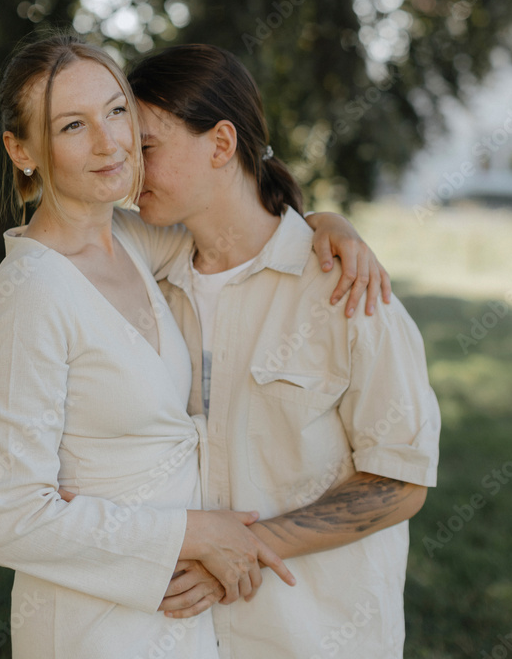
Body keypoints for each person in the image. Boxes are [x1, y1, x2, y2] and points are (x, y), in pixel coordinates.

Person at [0, 35, 383, 659]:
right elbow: (7, 518)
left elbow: (239, 220)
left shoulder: (134, 244)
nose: (111, 142)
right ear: (21, 149)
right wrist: (193, 535)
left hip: (181, 616)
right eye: (73, 125)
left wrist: (326, 227)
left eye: (116, 112)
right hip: (95, 623)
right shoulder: (31, 292)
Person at [89, 43, 440, 659]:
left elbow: (400, 481)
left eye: (146, 148)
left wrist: (245, 545)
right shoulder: (143, 275)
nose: (130, 171)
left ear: (221, 144)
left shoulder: (347, 291)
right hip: (179, 638)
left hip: (313, 638)